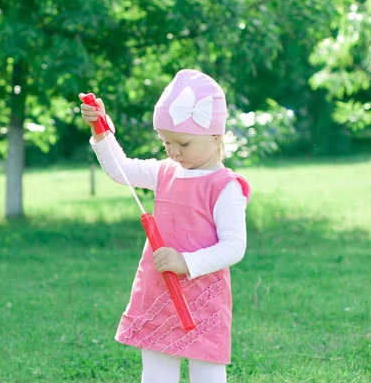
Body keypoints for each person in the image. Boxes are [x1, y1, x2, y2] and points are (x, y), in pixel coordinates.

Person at [79, 69, 251, 383]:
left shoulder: (225, 186)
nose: (172, 151)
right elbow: (123, 170)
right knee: (157, 373)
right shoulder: (165, 172)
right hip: (160, 292)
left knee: (208, 374)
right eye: (166, 143)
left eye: (182, 143)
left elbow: (234, 246)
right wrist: (101, 132)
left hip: (203, 297)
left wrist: (186, 262)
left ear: (216, 137)